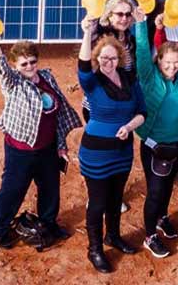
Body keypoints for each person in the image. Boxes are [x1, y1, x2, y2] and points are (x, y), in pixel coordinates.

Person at [0, 35, 81, 252]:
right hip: (21, 150)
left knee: (50, 188)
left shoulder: (47, 77)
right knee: (13, 190)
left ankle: (49, 224)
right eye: (23, 63)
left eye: (32, 61)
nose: (29, 66)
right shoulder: (14, 83)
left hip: (47, 147)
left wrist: (61, 145)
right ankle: (1, 229)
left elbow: (56, 116)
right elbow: (1, 70)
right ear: (15, 65)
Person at [77, 16, 147, 274]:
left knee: (116, 197)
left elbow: (142, 112)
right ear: (98, 59)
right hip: (95, 153)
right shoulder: (92, 81)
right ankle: (94, 248)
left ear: (120, 58)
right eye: (103, 58)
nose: (108, 62)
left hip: (122, 151)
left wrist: (129, 127)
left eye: (113, 58)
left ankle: (113, 237)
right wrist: (87, 33)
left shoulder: (130, 81)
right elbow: (83, 64)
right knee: (97, 202)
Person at [132, 25, 178, 259]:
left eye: (176, 63)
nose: (171, 67)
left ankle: (162, 217)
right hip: (154, 146)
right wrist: (140, 24)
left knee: (168, 186)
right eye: (167, 63)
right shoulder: (149, 78)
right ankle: (150, 236)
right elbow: (140, 50)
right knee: (155, 191)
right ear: (158, 61)